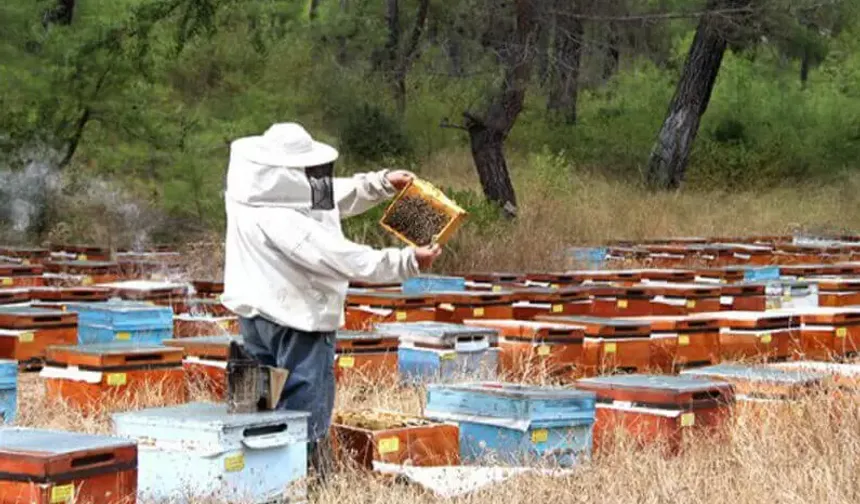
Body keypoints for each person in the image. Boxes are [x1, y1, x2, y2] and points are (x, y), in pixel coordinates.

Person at [221, 122, 441, 480]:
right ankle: (304, 481)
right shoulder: (283, 219)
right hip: (298, 322)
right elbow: (341, 257)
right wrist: (408, 261)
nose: (315, 176)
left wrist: (381, 183)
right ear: (290, 173)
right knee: (304, 410)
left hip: (253, 319)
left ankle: (250, 481)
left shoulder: (249, 190)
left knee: (252, 413)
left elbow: (326, 194)